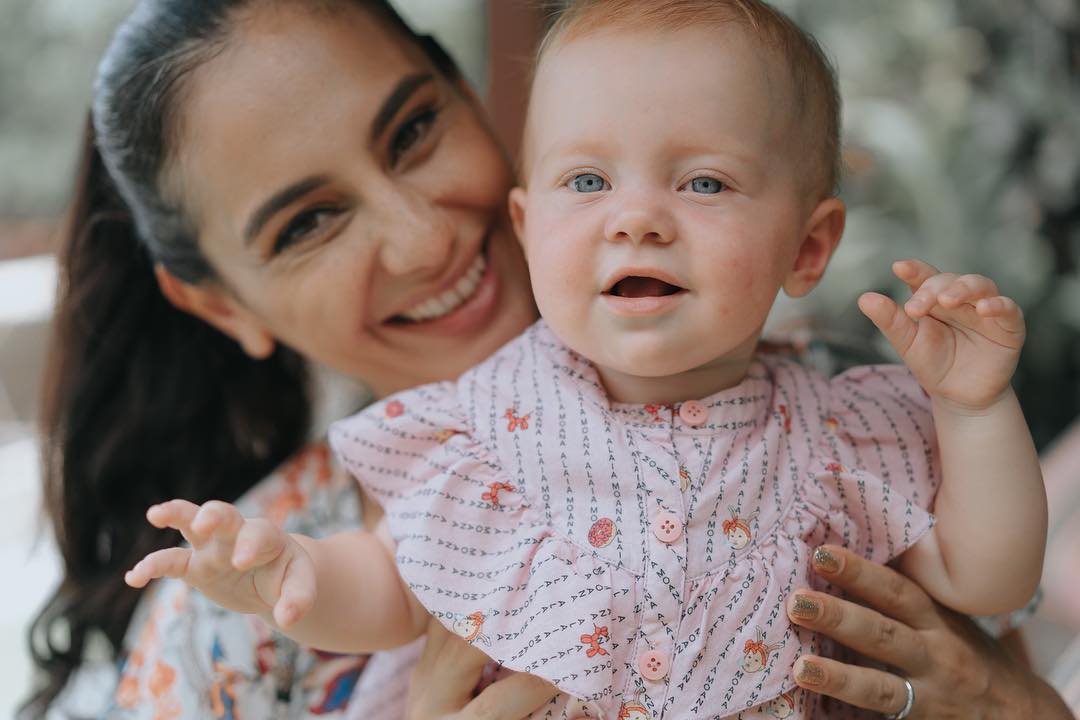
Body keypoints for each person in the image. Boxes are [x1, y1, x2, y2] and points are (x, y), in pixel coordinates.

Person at [122, 1, 1052, 718]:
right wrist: (294, 575)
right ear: (535, 224)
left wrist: (973, 413)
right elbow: (392, 577)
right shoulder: (477, 435)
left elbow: (987, 578)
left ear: (807, 249)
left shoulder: (843, 424)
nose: (636, 217)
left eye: (704, 182)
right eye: (589, 181)